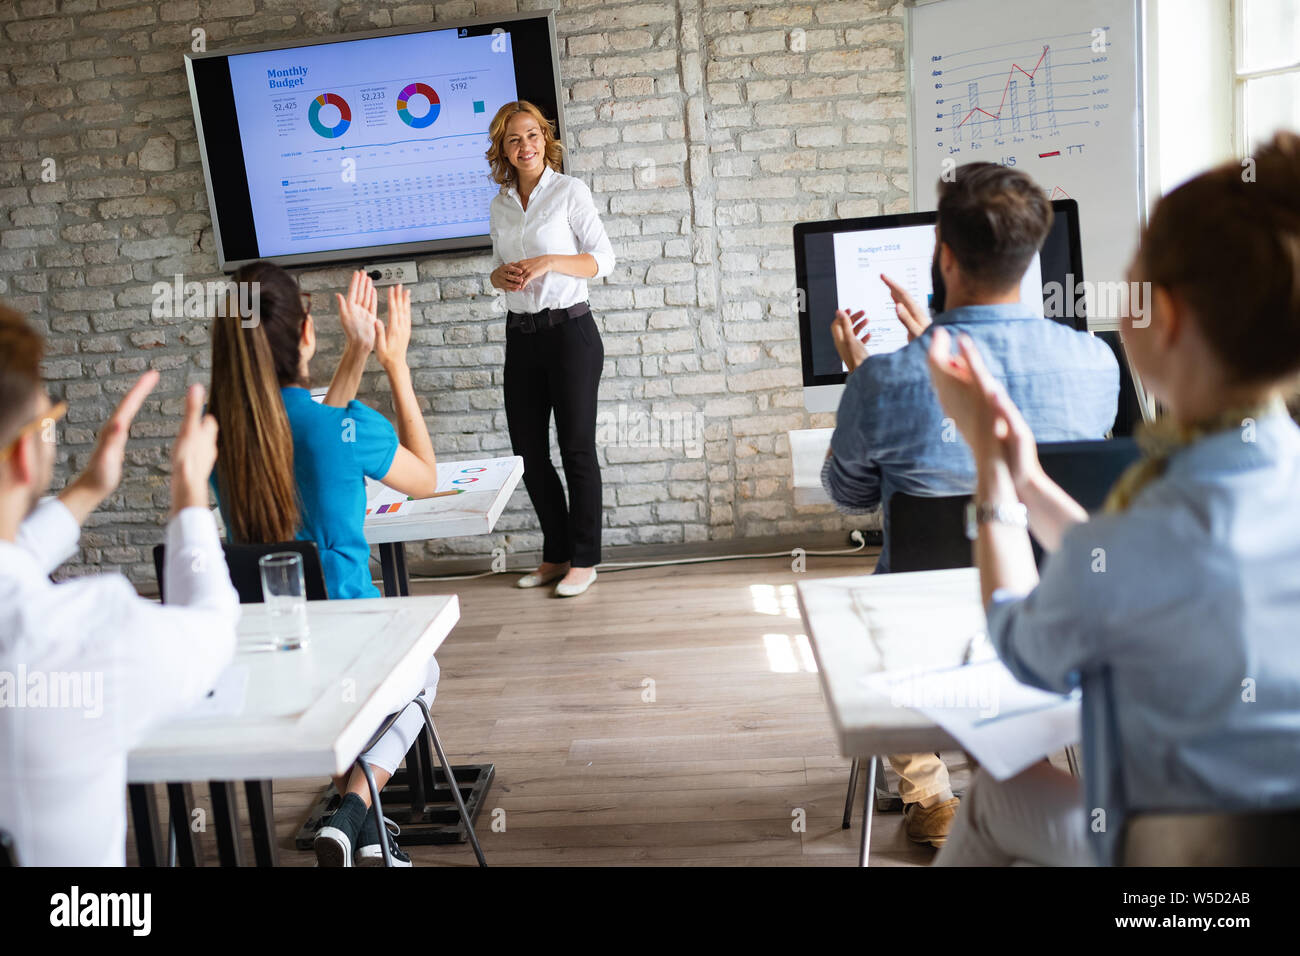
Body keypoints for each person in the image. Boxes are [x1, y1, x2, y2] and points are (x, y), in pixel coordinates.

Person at [928, 130, 1300, 865]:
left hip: (1167, 874)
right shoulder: (1255, 476)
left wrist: (992, 476)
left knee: (996, 794)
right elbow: (1137, 570)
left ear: (1163, 317)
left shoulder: (1145, 535)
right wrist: (1032, 481)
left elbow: (1019, 643)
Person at [821, 162, 1120, 848]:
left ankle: (928, 791)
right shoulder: (1096, 364)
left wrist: (867, 379)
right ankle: (1026, 763)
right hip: (1050, 610)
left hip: (923, 623)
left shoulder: (884, 380)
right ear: (1033, 254)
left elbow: (850, 496)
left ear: (944, 257)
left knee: (889, 585)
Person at [208, 263, 440, 866]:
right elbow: (426, 477)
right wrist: (393, 362)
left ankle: (365, 839)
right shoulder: (345, 427)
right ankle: (356, 808)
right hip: (356, 646)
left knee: (356, 702)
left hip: (271, 659)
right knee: (425, 671)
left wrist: (355, 354)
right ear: (306, 335)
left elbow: (297, 439)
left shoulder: (220, 439)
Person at [0, 305, 238, 866]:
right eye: (48, 419)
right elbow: (213, 627)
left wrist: (88, 490)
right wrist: (188, 490)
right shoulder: (81, 634)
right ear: (22, 458)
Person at [486, 100, 615, 597]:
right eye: (514, 139)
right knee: (529, 453)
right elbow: (499, 269)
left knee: (576, 449)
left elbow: (603, 260)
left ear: (545, 139)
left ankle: (584, 561)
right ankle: (555, 554)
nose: (526, 146)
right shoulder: (500, 204)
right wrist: (497, 276)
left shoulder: (568, 191)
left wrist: (549, 262)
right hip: (521, 336)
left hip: (571, 335)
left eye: (533, 135)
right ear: (503, 147)